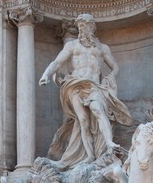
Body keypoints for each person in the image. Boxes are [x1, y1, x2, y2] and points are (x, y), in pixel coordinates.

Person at [39, 13, 133, 168]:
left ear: (92, 27)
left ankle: (109, 143)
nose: (82, 29)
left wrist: (109, 78)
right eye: (80, 26)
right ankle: (89, 155)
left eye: (85, 26)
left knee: (98, 110)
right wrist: (46, 74)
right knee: (82, 120)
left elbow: (115, 67)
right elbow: (57, 62)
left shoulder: (102, 48)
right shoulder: (71, 46)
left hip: (93, 85)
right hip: (74, 84)